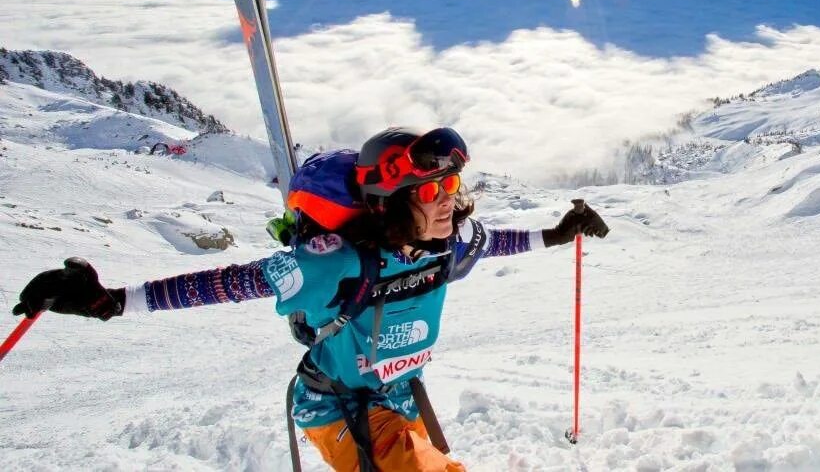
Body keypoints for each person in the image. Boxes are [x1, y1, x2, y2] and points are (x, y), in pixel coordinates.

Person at [11, 126, 610, 472]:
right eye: (431, 188)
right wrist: (110, 300)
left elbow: (496, 241)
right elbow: (229, 283)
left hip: (399, 401)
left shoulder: (446, 245)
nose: (449, 199)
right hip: (340, 408)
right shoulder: (334, 265)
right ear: (393, 200)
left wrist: (556, 235)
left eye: (452, 183)